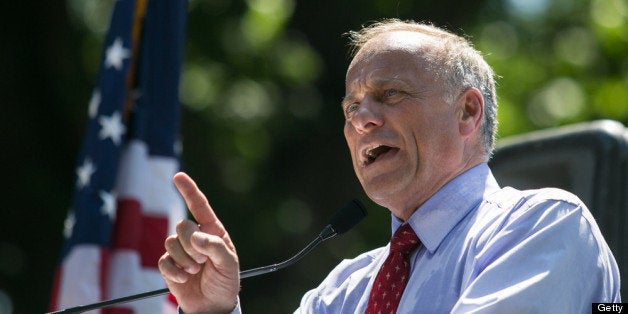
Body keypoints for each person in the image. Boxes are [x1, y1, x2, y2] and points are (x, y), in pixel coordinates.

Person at [158, 19, 621, 313]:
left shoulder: (543, 226)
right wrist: (214, 313)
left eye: (390, 94)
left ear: (468, 113)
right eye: (350, 108)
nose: (361, 120)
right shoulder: (341, 290)